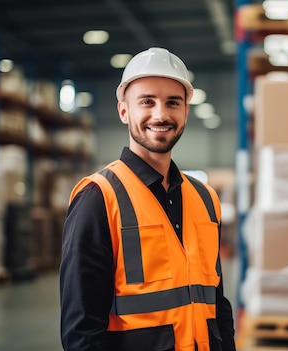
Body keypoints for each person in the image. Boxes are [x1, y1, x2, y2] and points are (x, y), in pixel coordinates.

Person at [59, 47, 237, 351]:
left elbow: (217, 304)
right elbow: (81, 329)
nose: (161, 114)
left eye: (172, 103)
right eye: (147, 102)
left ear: (185, 112)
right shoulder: (98, 197)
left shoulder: (206, 199)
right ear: (124, 111)